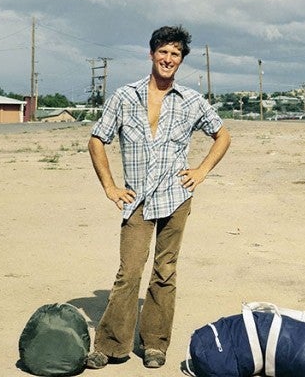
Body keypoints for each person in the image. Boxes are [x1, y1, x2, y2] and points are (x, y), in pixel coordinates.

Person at [86, 25, 231, 369]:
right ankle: (110, 345)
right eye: (163, 52)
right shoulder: (124, 96)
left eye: (175, 54)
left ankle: (155, 344)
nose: (168, 59)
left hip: (175, 197)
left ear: (181, 60)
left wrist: (201, 171)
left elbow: (223, 135)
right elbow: (96, 140)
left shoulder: (191, 100)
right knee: (130, 271)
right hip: (137, 199)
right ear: (151, 54)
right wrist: (109, 186)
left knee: (165, 271)